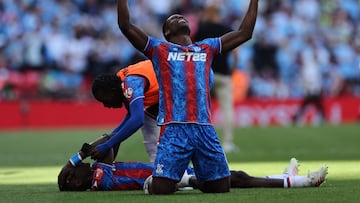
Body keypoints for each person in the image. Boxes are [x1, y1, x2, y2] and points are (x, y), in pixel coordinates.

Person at [116, 0, 258, 194]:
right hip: (174, 129)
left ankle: (190, 180)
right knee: (161, 189)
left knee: (220, 188)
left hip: (204, 129)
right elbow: (126, 26)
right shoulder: (159, 50)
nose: (179, 17)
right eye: (173, 18)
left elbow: (245, 33)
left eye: (181, 17)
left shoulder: (207, 47)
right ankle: (169, 180)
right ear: (167, 33)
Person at [58, 154, 328, 191]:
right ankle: (301, 182)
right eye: (73, 172)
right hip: (165, 178)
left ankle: (284, 176)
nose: (79, 167)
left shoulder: (95, 174)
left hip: (167, 170)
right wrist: (76, 157)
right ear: (75, 180)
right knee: (232, 179)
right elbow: (108, 140)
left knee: (235, 174)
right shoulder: (97, 177)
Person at [90, 60, 160, 163]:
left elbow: (137, 120)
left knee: (147, 119)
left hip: (184, 83)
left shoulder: (131, 83)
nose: (106, 105)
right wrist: (109, 138)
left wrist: (108, 145)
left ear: (113, 91)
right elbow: (131, 116)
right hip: (176, 84)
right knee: (149, 117)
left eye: (105, 100)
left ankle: (160, 166)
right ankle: (158, 164)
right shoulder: (121, 81)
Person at [194, 3, 239, 153]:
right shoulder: (226, 30)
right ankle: (227, 142)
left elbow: (194, 50)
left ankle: (199, 141)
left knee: (200, 108)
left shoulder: (202, 29)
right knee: (227, 109)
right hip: (223, 74)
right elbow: (236, 53)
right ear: (219, 14)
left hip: (206, 74)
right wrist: (232, 70)